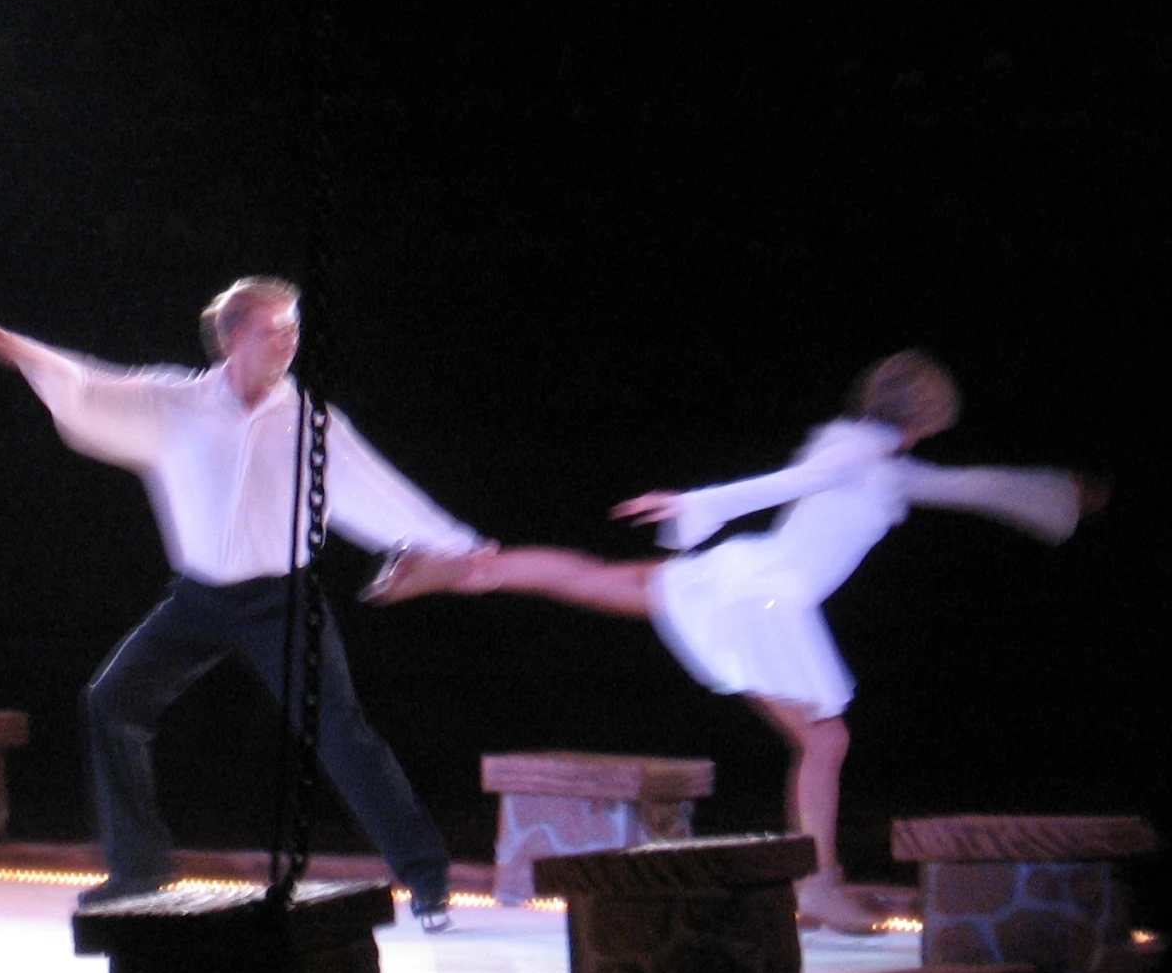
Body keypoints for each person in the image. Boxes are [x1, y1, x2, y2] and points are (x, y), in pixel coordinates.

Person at [363, 350, 1097, 933]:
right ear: (926, 416)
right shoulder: (861, 455)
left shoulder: (883, 461)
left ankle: (453, 569)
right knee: (825, 741)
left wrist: (1052, 494)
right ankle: (821, 886)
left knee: (592, 579)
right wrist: (695, 504)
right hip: (763, 600)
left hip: (743, 580)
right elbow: (787, 482)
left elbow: (966, 485)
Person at [0, 277, 488, 928]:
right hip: (200, 599)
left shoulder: (311, 422)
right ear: (234, 337)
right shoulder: (174, 401)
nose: (289, 341)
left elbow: (380, 492)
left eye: (294, 329)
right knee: (112, 701)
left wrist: (457, 547)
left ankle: (427, 879)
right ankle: (140, 869)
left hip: (282, 603)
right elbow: (92, 385)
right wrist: (24, 352)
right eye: (275, 329)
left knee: (341, 733)